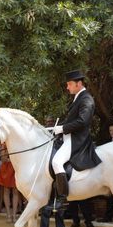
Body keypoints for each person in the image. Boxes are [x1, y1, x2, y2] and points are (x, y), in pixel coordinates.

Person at [47, 69, 102, 210]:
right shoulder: (78, 98)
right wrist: (57, 127)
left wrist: (63, 128)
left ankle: (62, 198)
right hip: (68, 137)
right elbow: (71, 120)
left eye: (69, 84)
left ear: (78, 84)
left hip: (77, 140)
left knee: (57, 162)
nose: (67, 87)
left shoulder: (87, 99)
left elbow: (83, 121)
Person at [0, 143, 19, 223]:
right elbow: (3, 159)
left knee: (15, 191)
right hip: (6, 168)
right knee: (6, 191)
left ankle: (14, 215)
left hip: (15, 168)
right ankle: (8, 215)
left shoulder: (17, 142)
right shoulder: (4, 144)